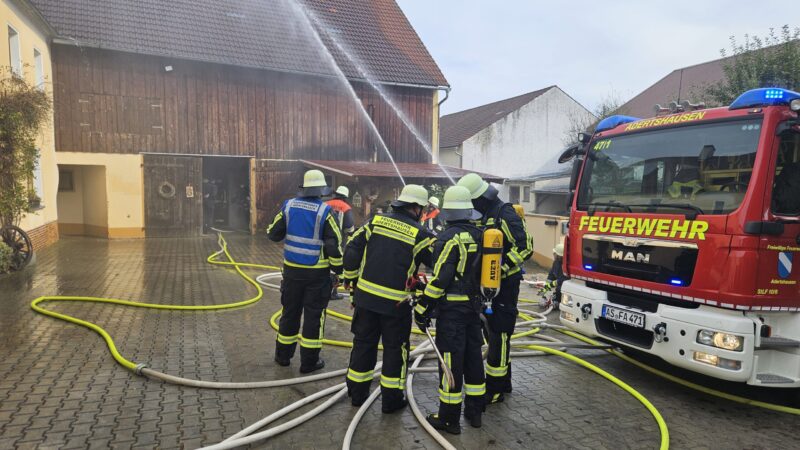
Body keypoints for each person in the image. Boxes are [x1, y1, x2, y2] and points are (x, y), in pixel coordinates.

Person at [343, 184, 434, 413]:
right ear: (415, 208)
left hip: (365, 300)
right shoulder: (421, 234)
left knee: (363, 344)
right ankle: (391, 401)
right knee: (395, 350)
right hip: (396, 305)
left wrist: (352, 281)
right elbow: (438, 263)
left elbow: (352, 248)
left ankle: (356, 394)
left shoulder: (375, 221)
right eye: (422, 209)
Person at [414, 185, 485, 434]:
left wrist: (422, 307)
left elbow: (441, 279)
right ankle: (475, 412)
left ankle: (448, 418)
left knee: (451, 362)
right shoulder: (481, 234)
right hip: (474, 308)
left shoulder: (449, 238)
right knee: (474, 358)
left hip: (452, 313)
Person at [457, 173, 533, 404]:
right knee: (490, 333)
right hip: (484, 287)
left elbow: (525, 247)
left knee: (499, 334)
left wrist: (498, 269)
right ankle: (504, 381)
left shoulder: (504, 213)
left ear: (480, 197)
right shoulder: (483, 214)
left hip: (505, 286)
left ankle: (495, 388)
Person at [267, 169, 343, 373]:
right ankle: (309, 363)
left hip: (291, 273)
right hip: (317, 276)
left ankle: (282, 357)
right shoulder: (325, 212)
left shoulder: (289, 206)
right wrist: (339, 270)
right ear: (321, 190)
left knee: (289, 313)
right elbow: (333, 246)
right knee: (313, 318)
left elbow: (273, 234)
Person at [326, 186, 355, 300]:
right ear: (346, 197)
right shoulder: (345, 207)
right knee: (336, 268)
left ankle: (323, 289)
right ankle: (333, 292)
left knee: (325, 266)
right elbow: (349, 228)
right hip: (337, 242)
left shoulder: (326, 203)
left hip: (322, 241)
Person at [539, 243, 566, 310]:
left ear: (559, 256)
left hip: (563, 287)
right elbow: (551, 275)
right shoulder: (555, 262)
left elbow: (565, 279)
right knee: (548, 290)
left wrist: (553, 284)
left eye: (555, 253)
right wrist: (545, 290)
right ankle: (551, 301)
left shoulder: (565, 265)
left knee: (559, 289)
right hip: (558, 285)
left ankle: (557, 302)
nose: (553, 254)